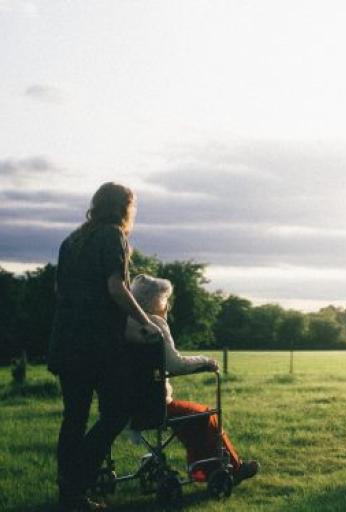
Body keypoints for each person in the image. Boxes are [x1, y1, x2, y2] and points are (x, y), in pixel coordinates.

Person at [48, 182, 162, 511]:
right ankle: (76, 481)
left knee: (74, 417)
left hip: (66, 340)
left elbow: (61, 291)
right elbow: (116, 287)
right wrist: (145, 320)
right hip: (96, 344)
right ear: (124, 207)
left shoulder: (72, 240)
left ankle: (69, 493)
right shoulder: (113, 235)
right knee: (116, 413)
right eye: (133, 205)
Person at [125, 274, 260, 485]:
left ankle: (202, 468)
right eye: (165, 299)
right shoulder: (155, 324)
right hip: (154, 405)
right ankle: (233, 467)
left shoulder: (124, 323)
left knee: (189, 417)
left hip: (126, 405)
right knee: (205, 415)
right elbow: (175, 365)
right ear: (154, 301)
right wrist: (206, 361)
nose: (167, 304)